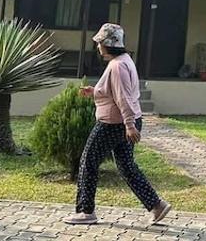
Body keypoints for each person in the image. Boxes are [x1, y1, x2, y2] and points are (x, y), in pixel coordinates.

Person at [63, 23, 172, 225]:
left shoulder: (117, 66)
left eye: (99, 43)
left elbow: (124, 98)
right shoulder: (124, 60)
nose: (97, 47)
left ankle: (85, 211)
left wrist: (129, 125)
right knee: (126, 166)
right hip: (124, 122)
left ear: (108, 44)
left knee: (88, 162)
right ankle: (157, 206)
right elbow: (117, 92)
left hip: (113, 123)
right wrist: (95, 91)